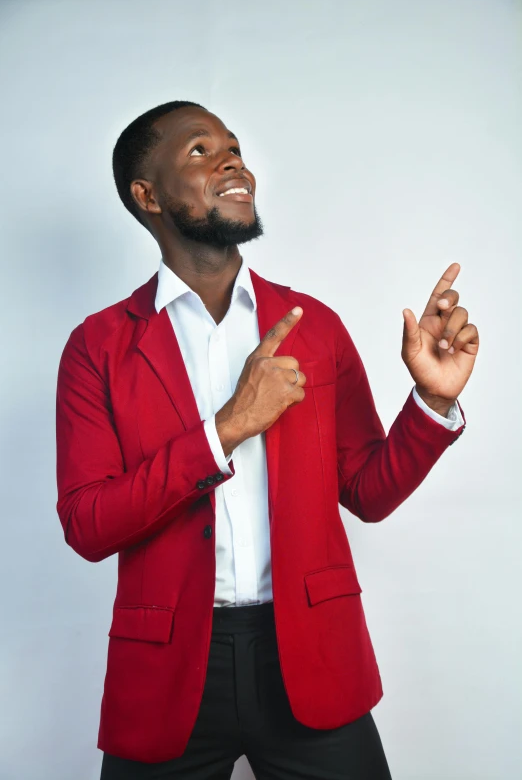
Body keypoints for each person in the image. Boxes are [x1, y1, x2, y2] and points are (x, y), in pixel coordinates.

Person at [55, 100, 478, 780]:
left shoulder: (315, 327)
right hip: (166, 675)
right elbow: (87, 522)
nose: (233, 161)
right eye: (200, 151)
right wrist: (226, 429)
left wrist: (432, 400)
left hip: (311, 657)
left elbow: (367, 491)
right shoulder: (98, 347)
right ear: (147, 194)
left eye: (235, 147)